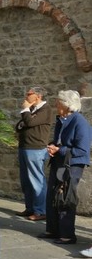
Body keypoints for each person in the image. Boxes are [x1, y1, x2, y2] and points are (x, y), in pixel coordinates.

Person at [38, 90, 90, 245]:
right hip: (59, 162)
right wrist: (53, 146)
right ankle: (53, 230)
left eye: (58, 101)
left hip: (72, 165)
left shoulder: (80, 122)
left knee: (66, 197)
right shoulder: (62, 119)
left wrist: (59, 150)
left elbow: (82, 150)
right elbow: (61, 141)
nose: (56, 104)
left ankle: (67, 235)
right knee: (52, 196)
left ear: (67, 105)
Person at [14, 87, 54, 221]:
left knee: (36, 180)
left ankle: (40, 210)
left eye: (29, 94)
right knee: (26, 181)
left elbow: (30, 122)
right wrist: (26, 117)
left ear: (38, 96)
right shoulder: (32, 110)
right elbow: (19, 125)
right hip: (24, 147)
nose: (26, 97)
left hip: (36, 149)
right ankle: (30, 207)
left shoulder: (45, 109)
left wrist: (25, 111)